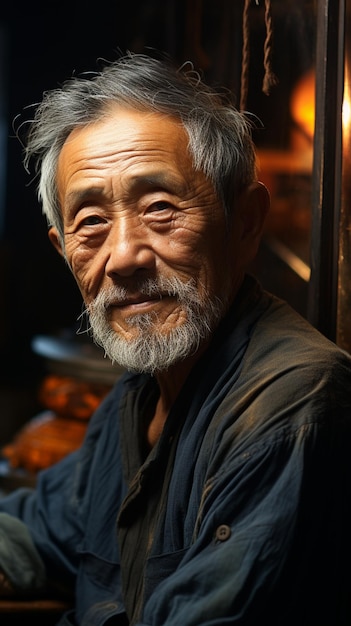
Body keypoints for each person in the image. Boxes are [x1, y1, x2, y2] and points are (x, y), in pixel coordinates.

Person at [0, 51, 351, 626]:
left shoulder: (295, 406)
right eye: (89, 222)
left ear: (244, 223)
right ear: (63, 251)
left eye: (160, 208)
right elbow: (37, 529)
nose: (123, 256)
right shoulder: (138, 398)